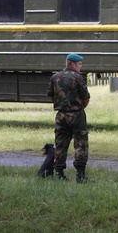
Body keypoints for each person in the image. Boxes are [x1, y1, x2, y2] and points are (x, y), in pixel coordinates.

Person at [47, 53, 91, 183]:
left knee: (60, 144)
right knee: (81, 144)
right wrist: (79, 106)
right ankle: (80, 175)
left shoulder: (55, 77)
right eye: (79, 64)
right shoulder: (78, 78)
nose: (81, 66)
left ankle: (59, 173)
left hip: (61, 115)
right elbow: (86, 97)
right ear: (72, 64)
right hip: (76, 115)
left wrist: (62, 104)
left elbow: (50, 95)